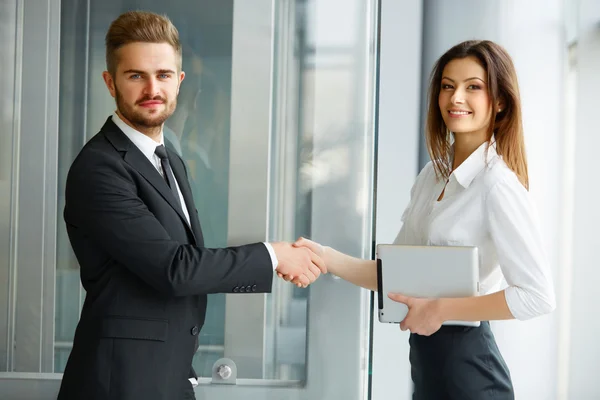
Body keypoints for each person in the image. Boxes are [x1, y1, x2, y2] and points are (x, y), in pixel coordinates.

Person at [57, 11, 325, 400]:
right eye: (136, 76)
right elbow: (174, 268)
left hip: (164, 376)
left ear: (179, 81)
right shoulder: (99, 168)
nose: (153, 88)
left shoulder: (169, 159)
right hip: (119, 383)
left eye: (163, 75)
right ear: (110, 83)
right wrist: (273, 256)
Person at [287, 40, 556, 399]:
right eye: (448, 86)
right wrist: (325, 257)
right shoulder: (433, 175)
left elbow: (537, 296)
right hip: (428, 366)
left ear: (500, 101)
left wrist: (441, 309)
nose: (456, 98)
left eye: (472, 87)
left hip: (470, 372)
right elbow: (395, 274)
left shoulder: (497, 185)